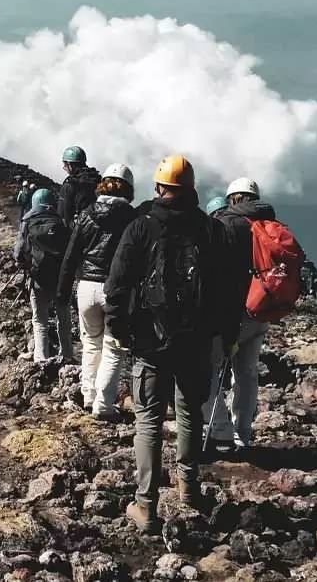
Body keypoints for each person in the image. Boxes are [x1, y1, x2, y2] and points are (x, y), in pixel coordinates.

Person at [105, 155, 239, 531]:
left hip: (150, 341)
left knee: (148, 419)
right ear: (191, 189)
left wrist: (119, 328)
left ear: (159, 188)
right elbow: (228, 291)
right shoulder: (212, 230)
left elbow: (116, 284)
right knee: (190, 414)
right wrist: (226, 336)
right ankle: (189, 488)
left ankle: (145, 506)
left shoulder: (141, 227)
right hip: (197, 342)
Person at [57, 163, 137, 421]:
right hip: (117, 289)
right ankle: (103, 405)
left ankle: (89, 395)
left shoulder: (87, 214)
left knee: (91, 343)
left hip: (86, 287)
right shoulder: (133, 218)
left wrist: (62, 292)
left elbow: (70, 256)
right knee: (114, 347)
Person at [207, 177, 276, 452]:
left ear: (232, 198)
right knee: (246, 373)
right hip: (261, 309)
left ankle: (221, 429)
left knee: (209, 370)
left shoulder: (226, 223)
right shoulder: (269, 224)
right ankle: (243, 434)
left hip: (233, 311)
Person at [14, 188, 73, 365]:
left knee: (40, 320)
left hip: (38, 278)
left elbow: (19, 252)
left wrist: (23, 262)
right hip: (61, 280)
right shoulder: (62, 223)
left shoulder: (27, 222)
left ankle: (41, 357)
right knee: (63, 318)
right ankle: (67, 355)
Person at [57, 146, 101, 227]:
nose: (65, 168)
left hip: (78, 231)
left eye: (65, 165)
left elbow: (63, 216)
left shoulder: (69, 185)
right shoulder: (97, 179)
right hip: (98, 229)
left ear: (70, 165)